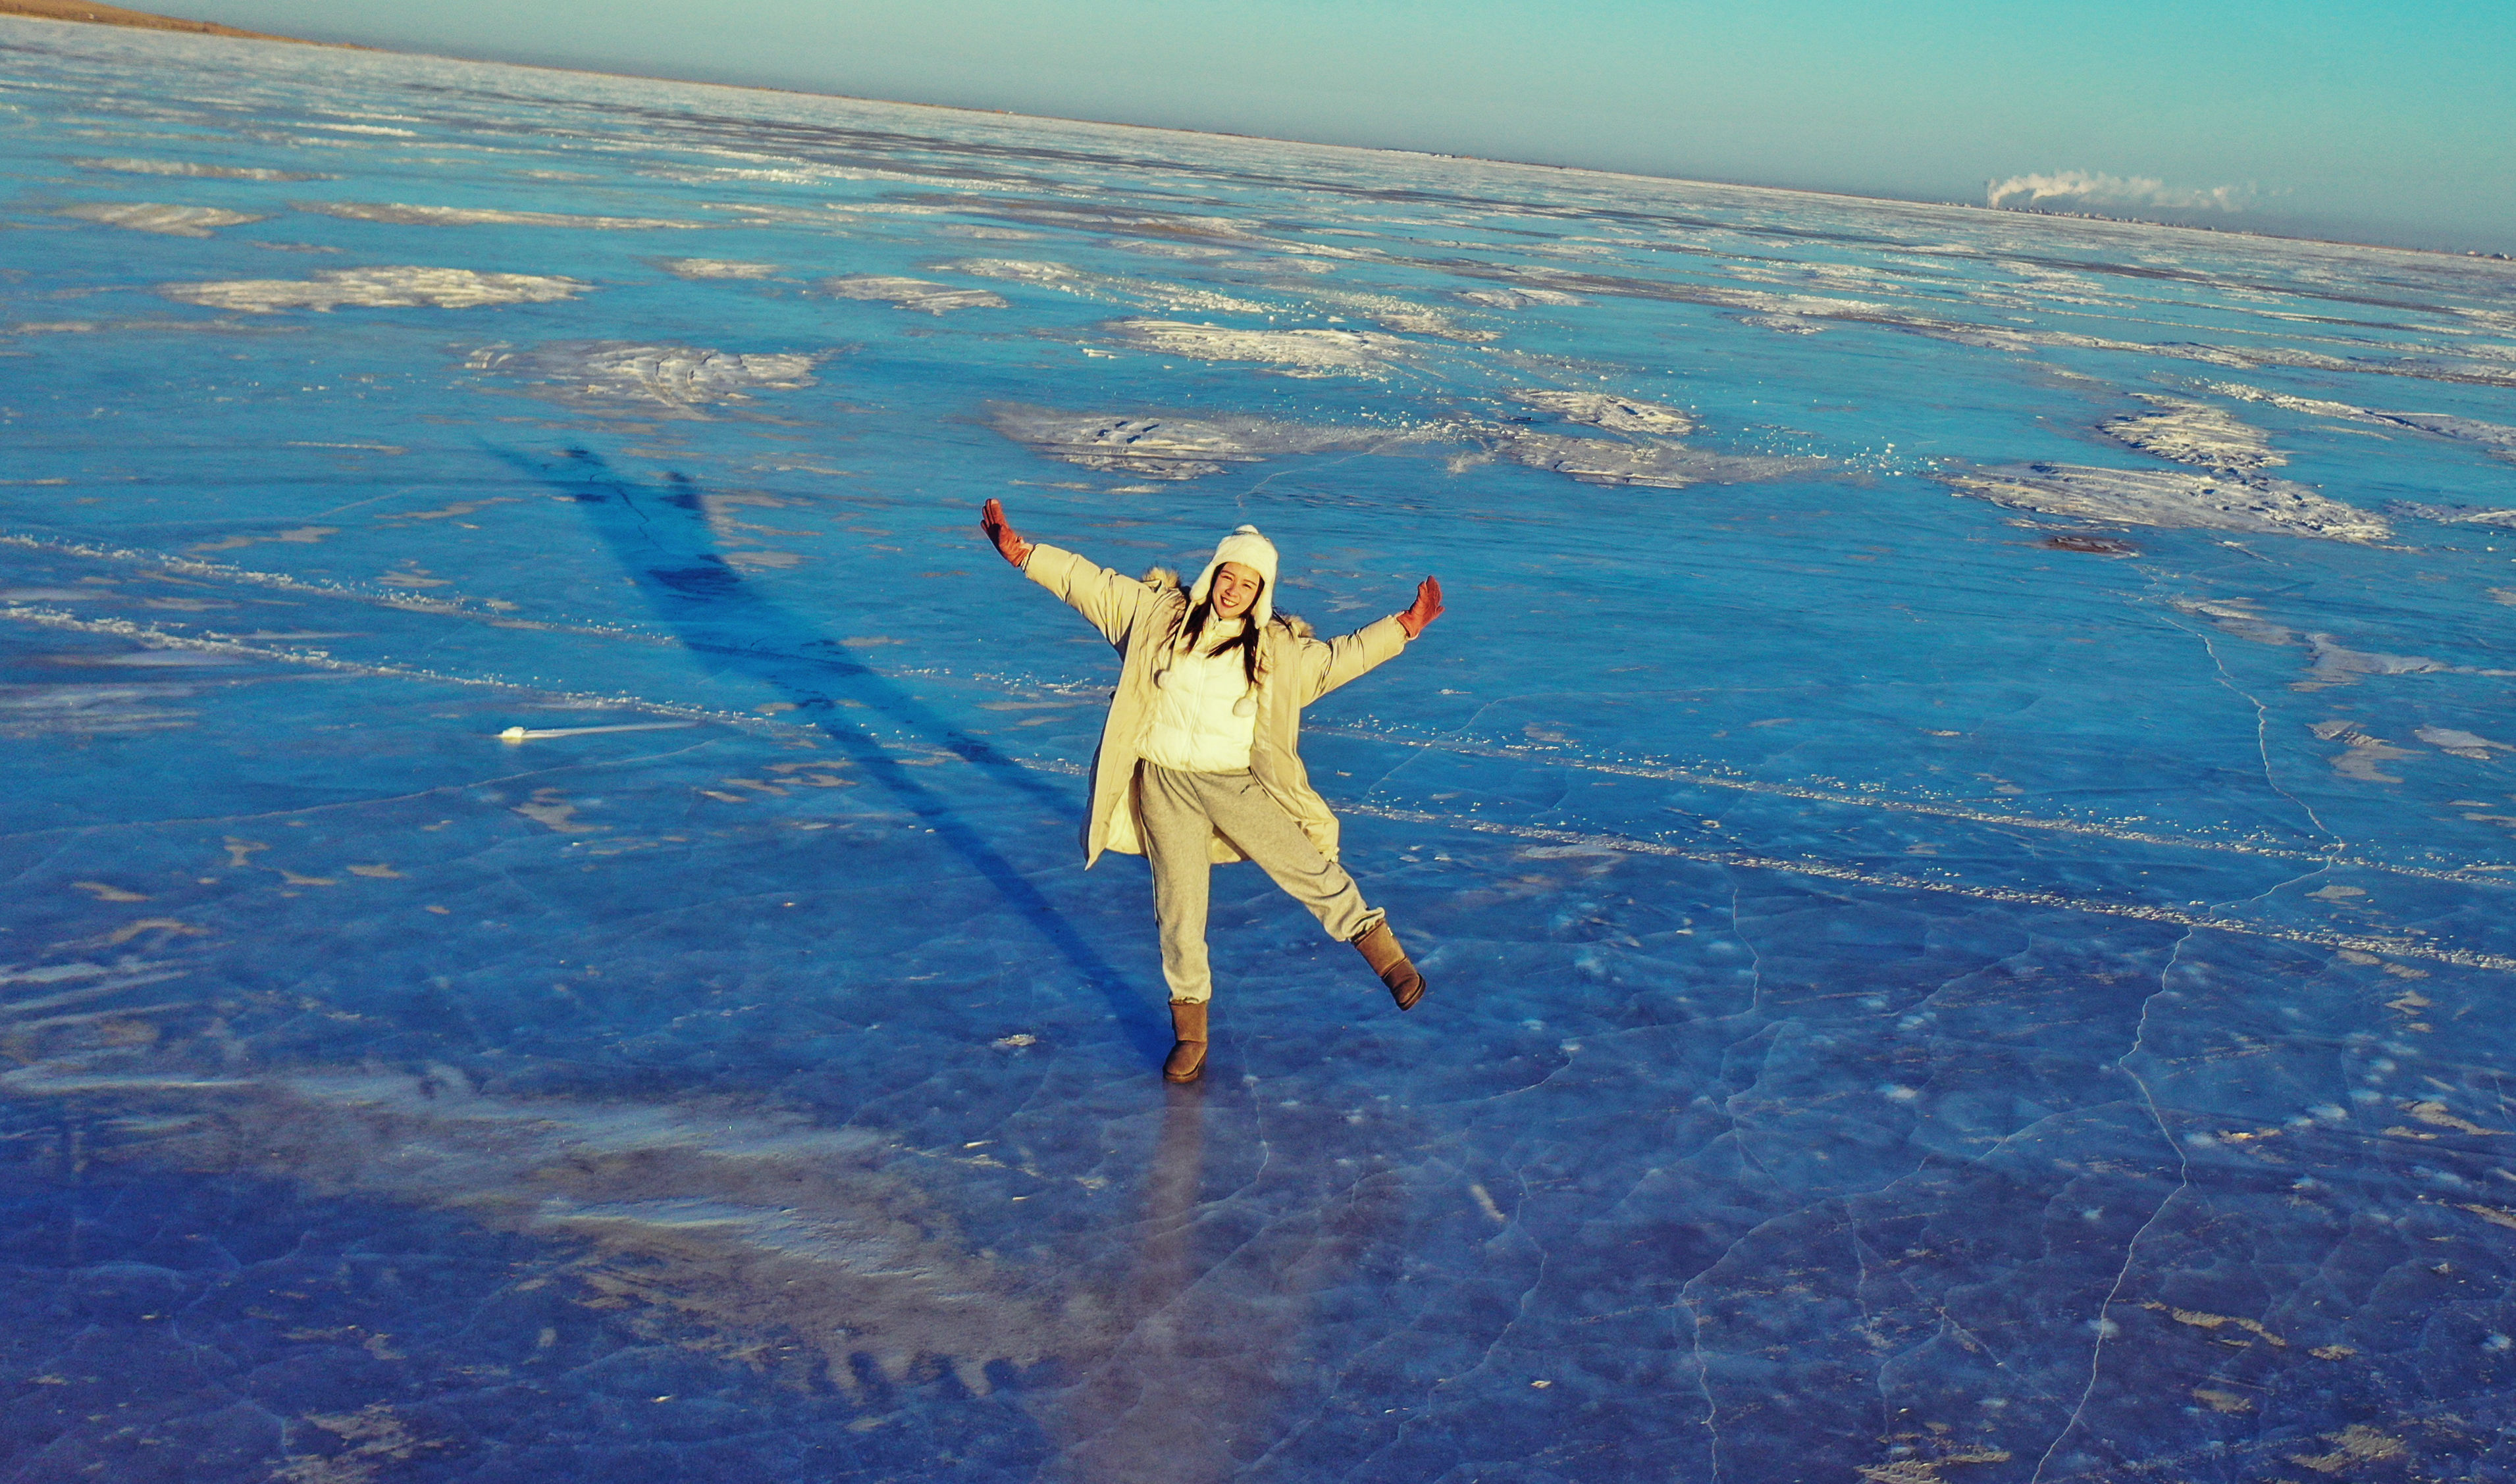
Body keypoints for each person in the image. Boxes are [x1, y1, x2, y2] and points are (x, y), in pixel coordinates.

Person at [979, 498, 1446, 1083]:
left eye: (1249, 583)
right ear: (1214, 573)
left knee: (1307, 865)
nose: (1234, 590)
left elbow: (1336, 660)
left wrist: (1402, 627)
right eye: (1229, 576)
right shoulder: (1155, 616)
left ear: (1261, 591)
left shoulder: (1275, 650)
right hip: (1164, 783)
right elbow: (1088, 584)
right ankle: (1191, 1034)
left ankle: (1390, 960)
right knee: (1179, 911)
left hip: (1235, 784)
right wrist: (1025, 554)